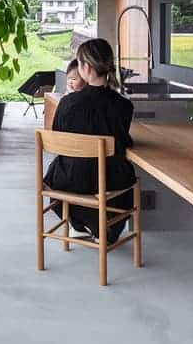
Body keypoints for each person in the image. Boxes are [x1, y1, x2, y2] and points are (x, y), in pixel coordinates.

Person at [44, 39, 136, 243]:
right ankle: (106, 231)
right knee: (126, 181)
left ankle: (78, 225)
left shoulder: (67, 103)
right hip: (109, 181)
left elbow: (58, 138)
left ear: (86, 67)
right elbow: (123, 141)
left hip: (68, 181)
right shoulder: (123, 106)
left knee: (62, 172)